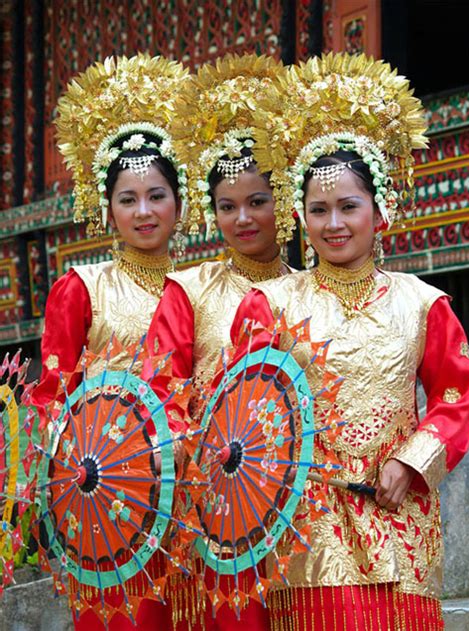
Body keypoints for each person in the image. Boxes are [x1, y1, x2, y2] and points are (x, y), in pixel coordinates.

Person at [231, 53, 469, 631]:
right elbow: (241, 410)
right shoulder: (270, 305)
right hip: (306, 527)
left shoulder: (424, 304)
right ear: (300, 216)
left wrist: (413, 463)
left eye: (348, 207)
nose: (333, 223)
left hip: (400, 517)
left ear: (380, 210)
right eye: (318, 210)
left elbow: (457, 396)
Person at [32, 53, 189, 630]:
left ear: (181, 201)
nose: (144, 212)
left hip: (192, 503)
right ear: (107, 209)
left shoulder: (200, 288)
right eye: (128, 198)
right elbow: (51, 395)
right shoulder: (82, 288)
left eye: (157, 195)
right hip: (109, 502)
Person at [146, 53, 294, 631]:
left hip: (302, 492)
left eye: (258, 201)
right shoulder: (189, 288)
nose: (243, 219)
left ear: (283, 201)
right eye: (227, 206)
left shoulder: (307, 290)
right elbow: (160, 385)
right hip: (217, 497)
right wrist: (199, 450)